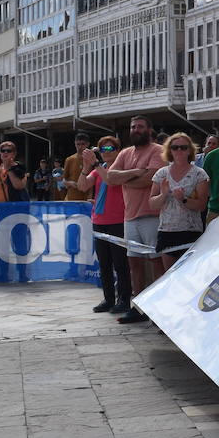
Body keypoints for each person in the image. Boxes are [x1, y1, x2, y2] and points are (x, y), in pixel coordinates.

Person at [106, 115, 168, 324]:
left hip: (151, 216)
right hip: (130, 217)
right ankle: (138, 307)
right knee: (135, 264)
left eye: (140, 126)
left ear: (149, 129)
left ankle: (159, 309)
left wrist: (126, 177)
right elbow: (110, 178)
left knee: (157, 263)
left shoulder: (157, 151)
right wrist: (135, 173)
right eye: (133, 126)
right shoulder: (125, 152)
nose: (136, 129)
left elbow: (150, 179)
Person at [76, 135, 131, 314]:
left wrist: (96, 164)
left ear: (118, 150)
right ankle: (108, 298)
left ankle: (124, 298)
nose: (106, 153)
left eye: (110, 149)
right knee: (104, 263)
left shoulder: (119, 168)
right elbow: (82, 186)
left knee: (120, 264)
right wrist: (86, 166)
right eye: (103, 149)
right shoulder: (100, 169)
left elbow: (110, 179)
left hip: (118, 220)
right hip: (99, 220)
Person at [148, 133, 209, 271]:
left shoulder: (199, 174)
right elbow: (152, 204)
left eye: (183, 147)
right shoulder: (161, 174)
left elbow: (201, 205)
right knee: (169, 276)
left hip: (191, 231)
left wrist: (183, 199)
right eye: (175, 147)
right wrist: (163, 194)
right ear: (170, 150)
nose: (179, 151)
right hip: (167, 231)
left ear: (190, 150)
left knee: (190, 275)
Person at [63, 133, 91, 202]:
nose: (80, 147)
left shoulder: (92, 160)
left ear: (88, 144)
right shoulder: (69, 159)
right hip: (71, 199)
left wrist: (90, 197)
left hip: (87, 199)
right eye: (78, 144)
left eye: (82, 144)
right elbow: (64, 180)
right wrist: (70, 183)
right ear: (75, 144)